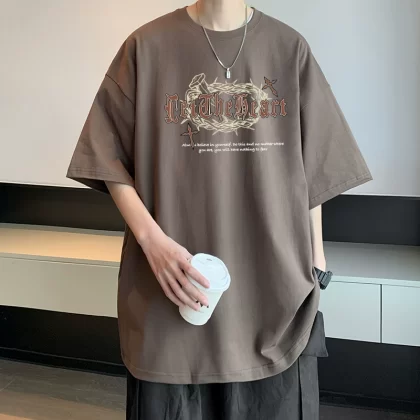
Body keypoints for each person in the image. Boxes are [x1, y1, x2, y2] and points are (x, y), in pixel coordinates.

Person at [66, 1, 373, 419]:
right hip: (173, 293)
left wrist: (316, 259)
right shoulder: (146, 46)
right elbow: (106, 158)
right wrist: (152, 242)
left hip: (272, 295)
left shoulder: (288, 48)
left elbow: (314, 162)